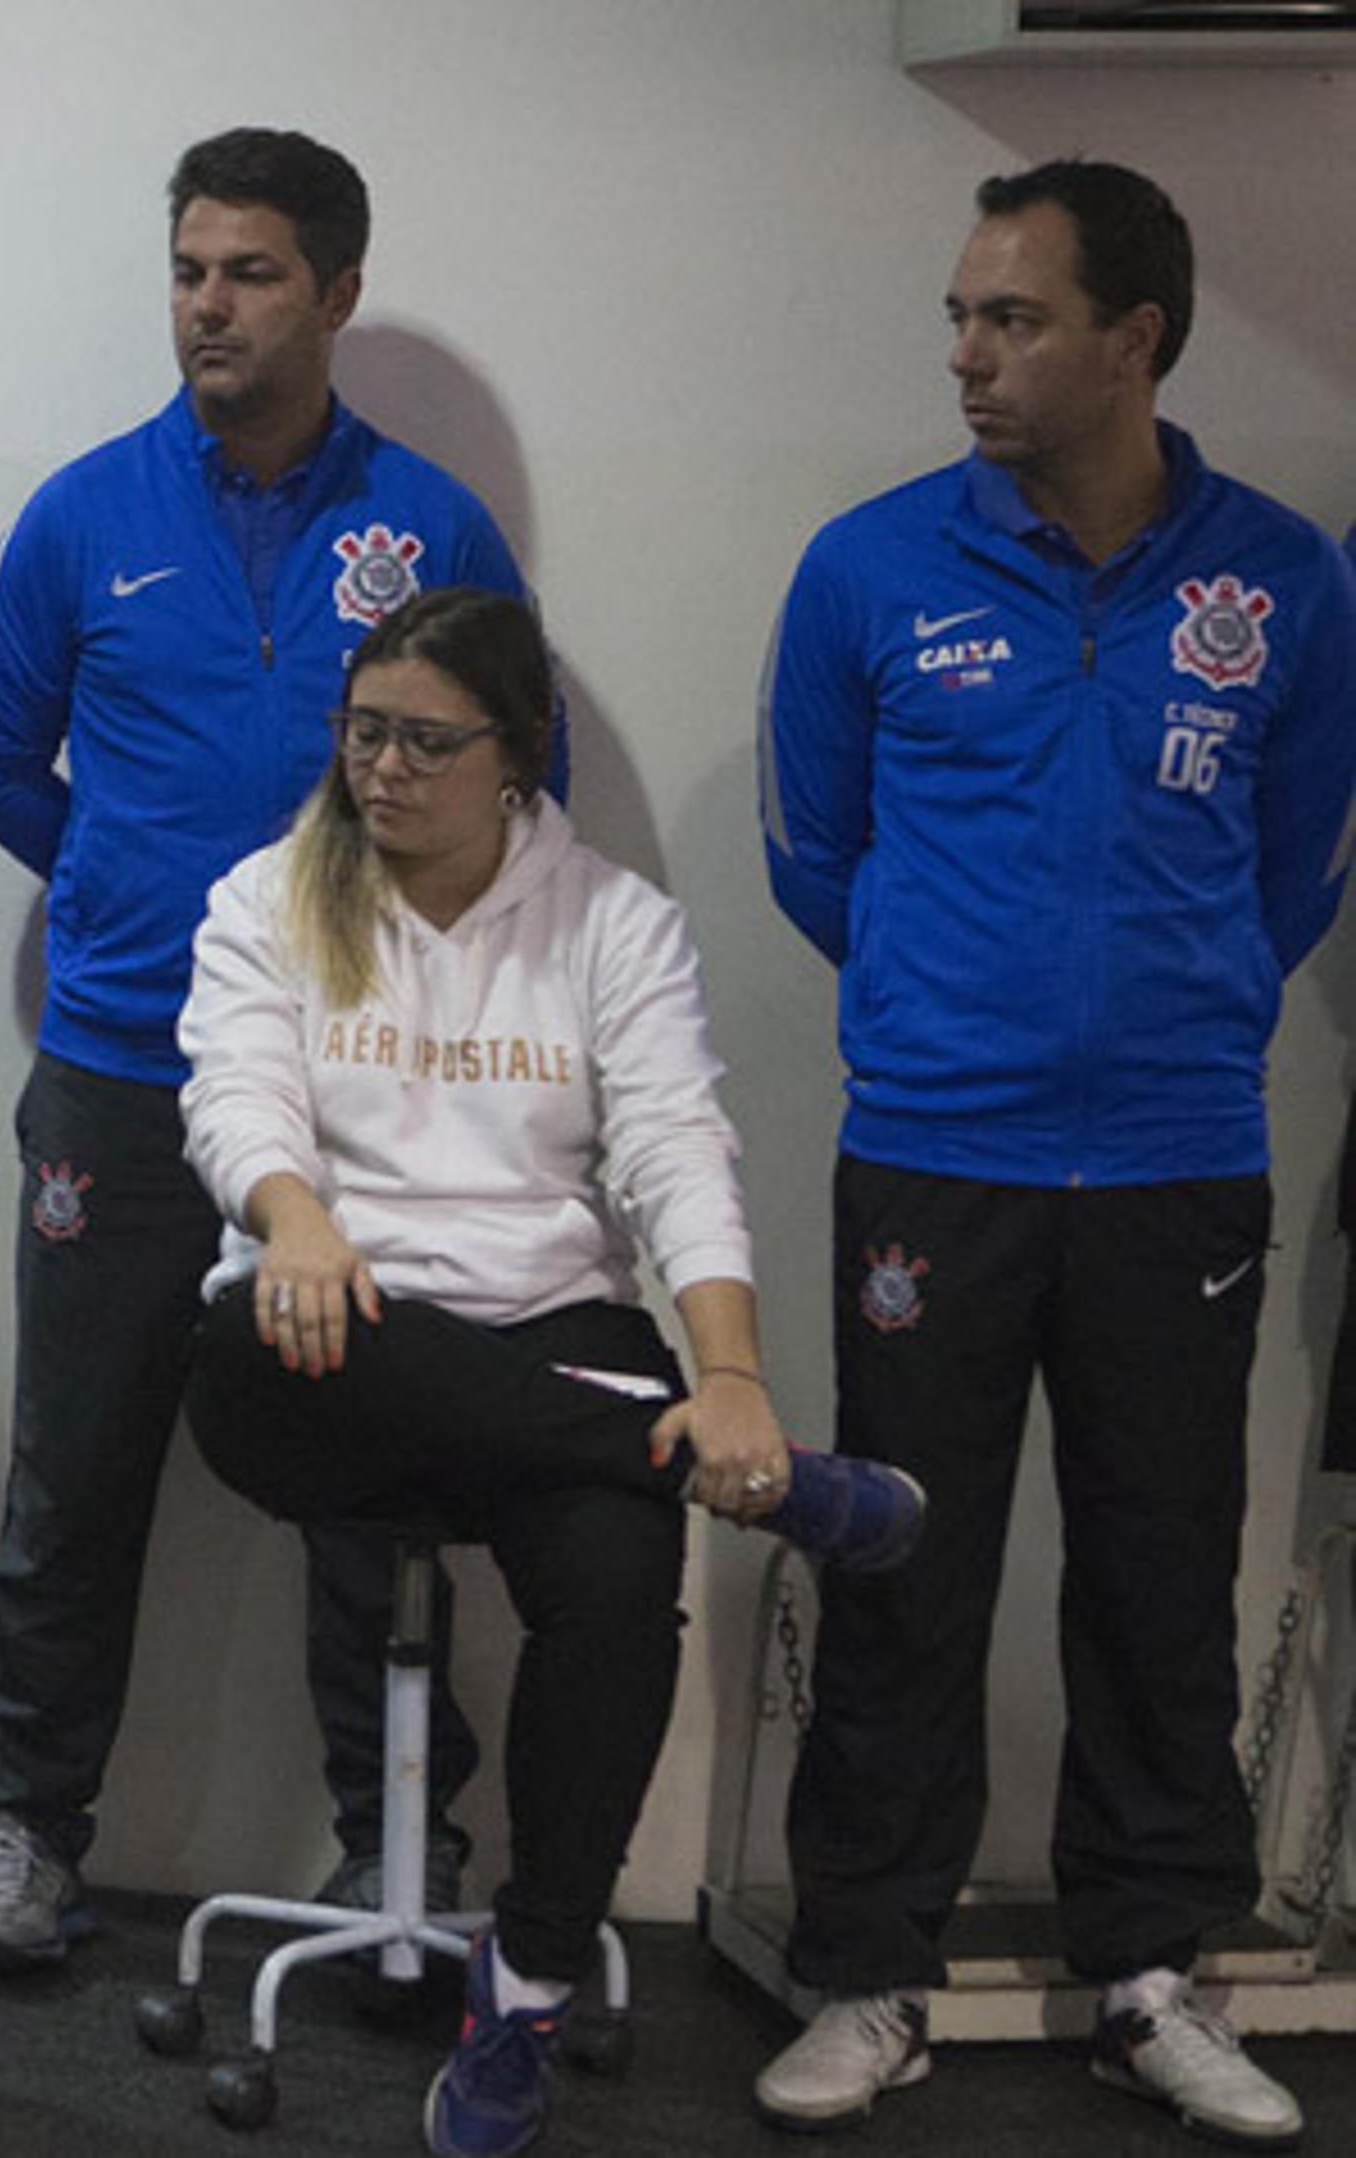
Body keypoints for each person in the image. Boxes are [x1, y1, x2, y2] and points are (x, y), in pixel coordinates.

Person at [755, 160, 1356, 2152]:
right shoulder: (868, 568)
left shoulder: (1284, 579)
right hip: (938, 1152)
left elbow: (1297, 868)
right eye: (962, 314)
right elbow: (811, 853)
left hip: (1182, 1158)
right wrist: (965, 1011)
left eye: (1011, 318)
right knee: (904, 1564)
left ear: (1137, 340)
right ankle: (868, 1969)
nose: (968, 352)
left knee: (1163, 1570)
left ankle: (1155, 1976)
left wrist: (1166, 1018)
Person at [179, 585, 923, 2157]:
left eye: (426, 742)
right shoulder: (268, 894)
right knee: (259, 1338)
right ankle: (741, 1476)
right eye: (363, 730)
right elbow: (234, 1094)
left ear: (516, 756)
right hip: (332, 1333)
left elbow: (676, 1154)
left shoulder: (616, 924)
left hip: (555, 1347)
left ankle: (522, 1981)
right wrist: (296, 1219)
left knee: (615, 1580)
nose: (382, 768)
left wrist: (730, 1373)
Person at [0, 126, 534, 1971]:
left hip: (366, 1095)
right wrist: (163, 918)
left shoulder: (431, 527)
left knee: (376, 1481)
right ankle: (24, 1836)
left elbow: (524, 786)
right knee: (76, 1466)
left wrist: (336, 958)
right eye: (190, 268)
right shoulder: (81, 515)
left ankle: (393, 1853)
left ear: (337, 292)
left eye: (252, 272)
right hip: (124, 1070)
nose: (210, 303)